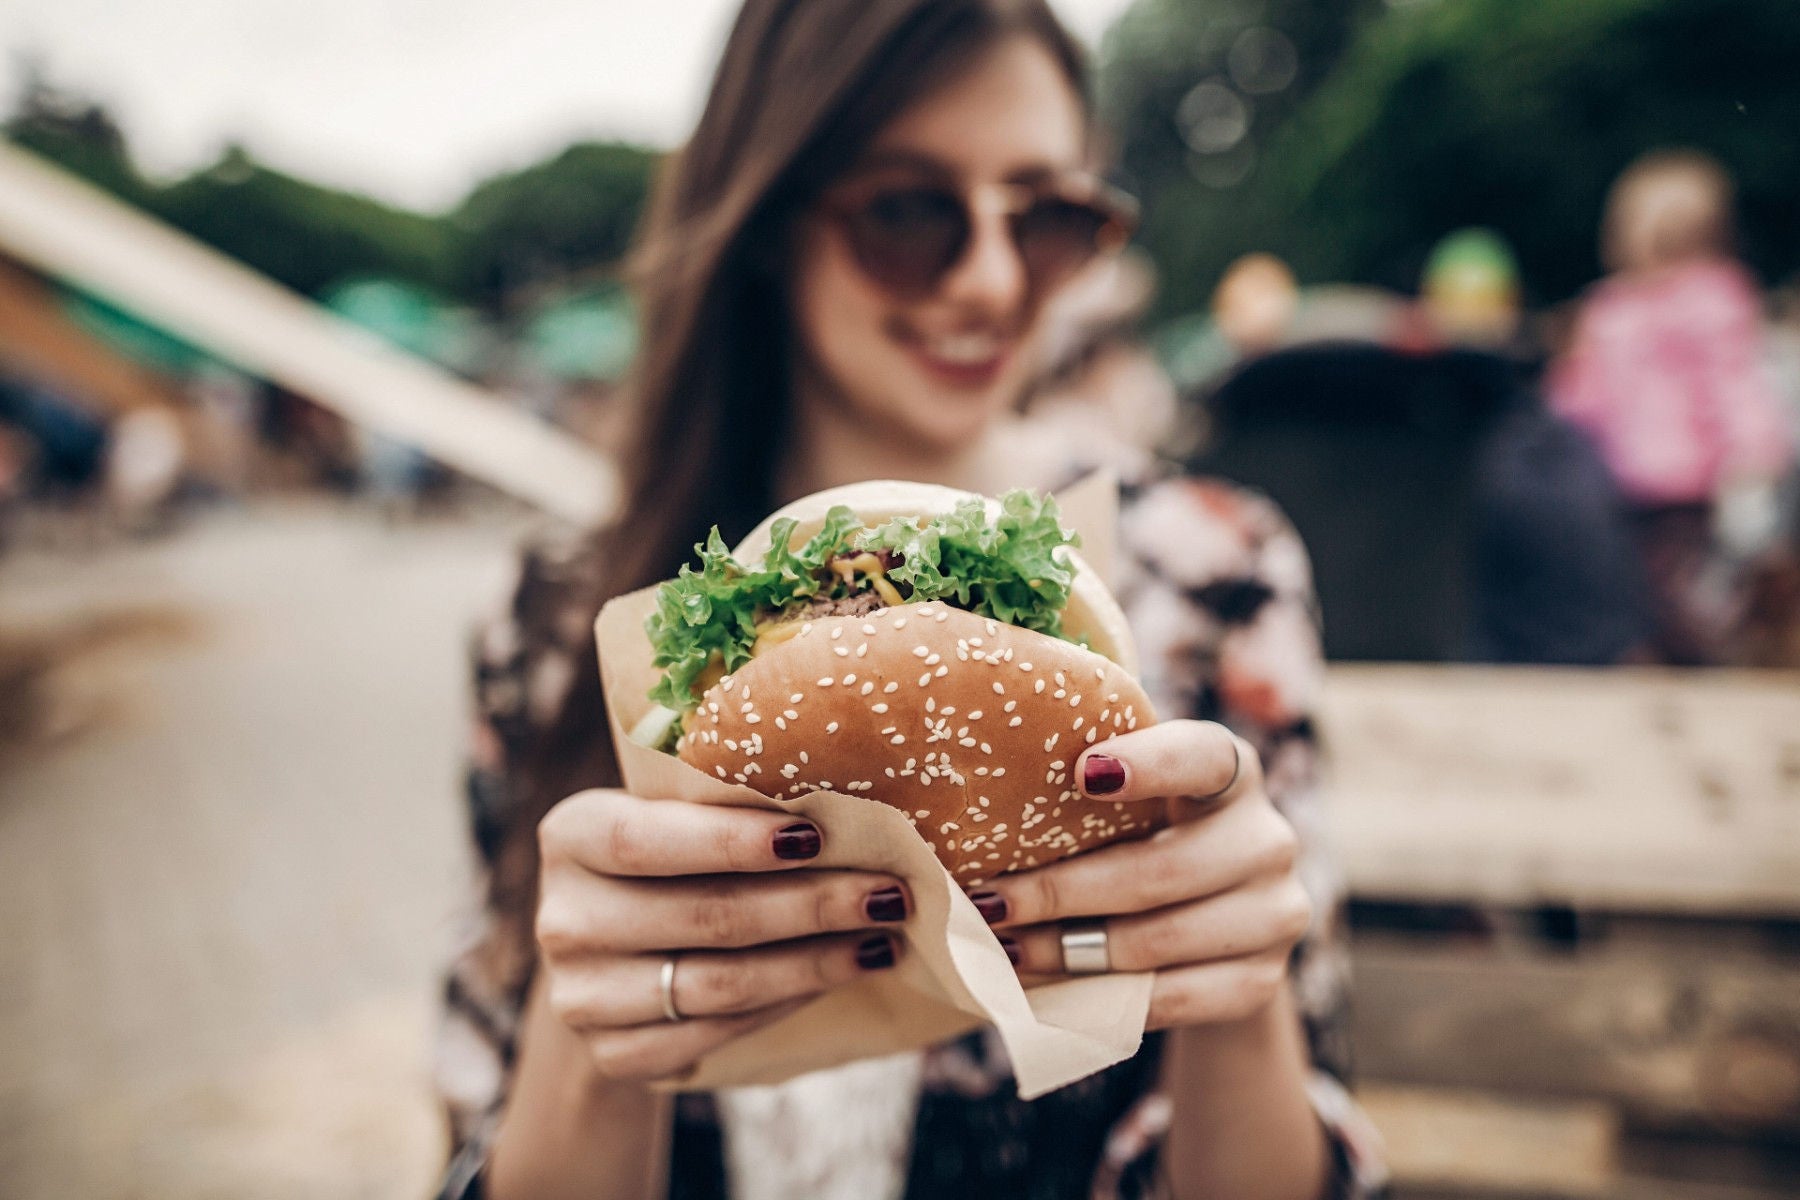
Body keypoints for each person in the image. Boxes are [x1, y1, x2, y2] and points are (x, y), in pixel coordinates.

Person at [434, 3, 1387, 1198]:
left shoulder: (1211, 576)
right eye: (908, 211)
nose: (991, 281)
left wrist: (1237, 1000)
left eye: (1046, 220)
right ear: (772, 220)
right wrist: (591, 1046)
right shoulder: (556, 620)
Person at [1546, 150, 1794, 663]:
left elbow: (1578, 400)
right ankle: (1686, 656)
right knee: (1670, 585)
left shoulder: (1635, 307)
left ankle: (1687, 656)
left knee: (1667, 584)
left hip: (1652, 481)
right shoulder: (1694, 300)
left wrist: (1754, 454)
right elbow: (1730, 385)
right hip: (1658, 482)